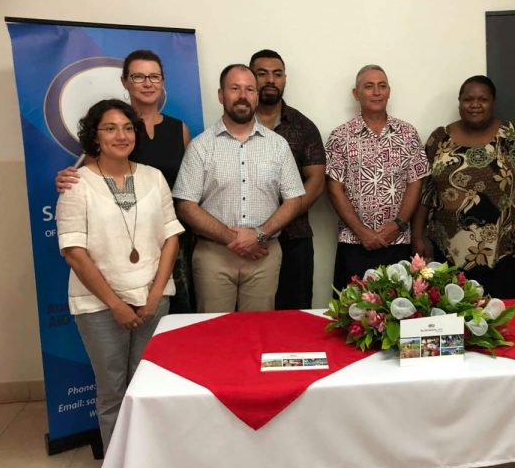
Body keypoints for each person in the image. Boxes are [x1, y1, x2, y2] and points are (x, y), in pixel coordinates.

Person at [56, 99, 183, 468]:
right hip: (99, 306)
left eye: (127, 127)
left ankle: (152, 461)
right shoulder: (77, 183)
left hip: (153, 299)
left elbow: (171, 237)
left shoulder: (153, 177)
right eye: (110, 128)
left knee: (147, 387)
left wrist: (154, 295)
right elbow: (74, 251)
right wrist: (115, 304)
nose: (121, 135)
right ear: (94, 135)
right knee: (112, 390)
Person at [56, 49, 195, 314]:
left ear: (163, 81)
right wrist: (64, 179)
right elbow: (91, 179)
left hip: (171, 238)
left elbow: (188, 184)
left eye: (154, 77)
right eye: (139, 76)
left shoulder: (179, 129)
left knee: (173, 318)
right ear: (124, 81)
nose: (147, 83)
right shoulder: (112, 127)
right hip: (126, 244)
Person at [173, 64, 304, 313]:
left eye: (249, 89)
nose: (243, 96)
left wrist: (259, 235)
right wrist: (234, 239)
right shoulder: (201, 146)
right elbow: (186, 206)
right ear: (221, 95)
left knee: (258, 333)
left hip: (263, 254)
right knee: (215, 333)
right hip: (214, 256)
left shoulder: (278, 145)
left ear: (256, 96)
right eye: (235, 88)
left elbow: (294, 200)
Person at [411, 75, 515, 299]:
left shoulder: (509, 136)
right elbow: (424, 191)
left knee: (501, 320)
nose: (475, 105)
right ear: (459, 102)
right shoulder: (439, 139)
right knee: (452, 320)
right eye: (468, 99)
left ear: (493, 102)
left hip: (503, 253)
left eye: (483, 99)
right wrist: (417, 236)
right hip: (447, 251)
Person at [325, 64, 429, 292]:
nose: (376, 92)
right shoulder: (340, 136)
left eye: (382, 86)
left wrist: (398, 224)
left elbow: (415, 182)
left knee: (400, 313)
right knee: (353, 316)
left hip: (399, 242)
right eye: (369, 86)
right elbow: (334, 188)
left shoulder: (408, 133)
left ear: (389, 91)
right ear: (356, 93)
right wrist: (362, 232)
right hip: (354, 242)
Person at [249, 49, 326, 309]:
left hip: (294, 237)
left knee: (295, 314)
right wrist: (257, 232)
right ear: (251, 78)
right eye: (262, 73)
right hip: (247, 241)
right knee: (250, 320)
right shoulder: (237, 124)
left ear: (284, 79)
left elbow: (316, 182)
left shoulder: (304, 127)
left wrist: (280, 220)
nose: (271, 80)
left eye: (277, 74)